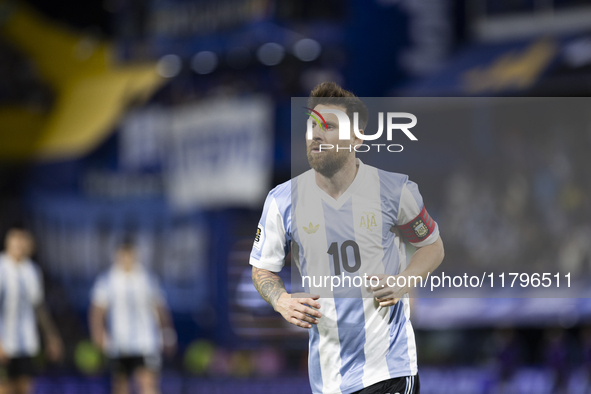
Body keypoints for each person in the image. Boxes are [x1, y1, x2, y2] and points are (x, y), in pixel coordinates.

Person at [250, 82, 444, 394]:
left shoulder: (394, 191)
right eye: (312, 124)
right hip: (328, 379)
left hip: (388, 369)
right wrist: (280, 299)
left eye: (328, 126)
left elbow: (432, 245)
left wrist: (405, 280)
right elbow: (262, 268)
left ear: (356, 138)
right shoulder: (282, 201)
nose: (316, 133)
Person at [89, 238, 176, 394]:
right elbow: (97, 310)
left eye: (130, 255)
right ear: (117, 255)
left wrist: (167, 333)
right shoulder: (107, 279)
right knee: (121, 385)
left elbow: (160, 308)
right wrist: (98, 333)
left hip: (146, 342)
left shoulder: (147, 278)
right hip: (119, 343)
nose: (126, 259)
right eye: (123, 255)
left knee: (148, 383)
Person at [0, 226, 63, 394]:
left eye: (23, 240)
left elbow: (38, 306)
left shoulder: (32, 271)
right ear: (7, 242)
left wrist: (51, 335)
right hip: (4, 342)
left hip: (25, 343)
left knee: (24, 388)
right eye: (15, 239)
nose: (19, 244)